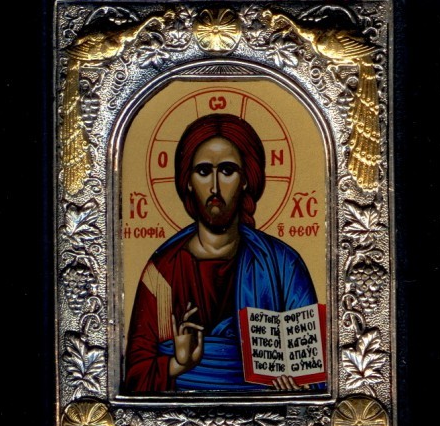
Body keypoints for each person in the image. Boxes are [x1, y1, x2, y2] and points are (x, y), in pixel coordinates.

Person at [124, 113, 318, 393]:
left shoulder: (284, 266)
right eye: (203, 172)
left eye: (227, 171)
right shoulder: (162, 271)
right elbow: (134, 377)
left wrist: (295, 388)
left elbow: (311, 374)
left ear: (246, 179)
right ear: (188, 181)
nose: (214, 187)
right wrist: (177, 365)